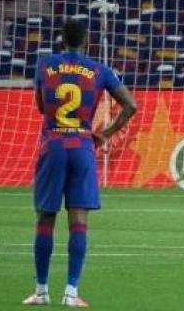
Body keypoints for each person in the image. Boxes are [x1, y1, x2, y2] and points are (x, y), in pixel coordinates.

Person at [23, 18, 137, 307]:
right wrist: (104, 135)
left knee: (45, 217)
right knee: (78, 221)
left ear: (62, 40)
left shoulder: (45, 64)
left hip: (53, 145)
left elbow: (39, 105)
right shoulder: (99, 70)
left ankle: (41, 291)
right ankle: (71, 293)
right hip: (82, 147)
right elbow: (130, 105)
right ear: (86, 42)